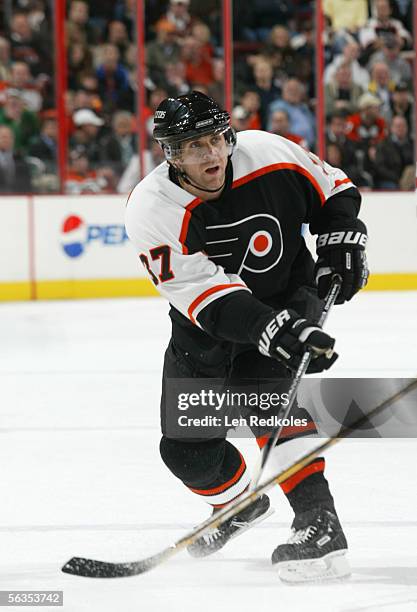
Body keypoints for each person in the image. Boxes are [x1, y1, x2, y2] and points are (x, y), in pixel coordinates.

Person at [125, 92, 368, 582]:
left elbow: (335, 190)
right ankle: (239, 504)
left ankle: (319, 523)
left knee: (271, 405)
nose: (212, 155)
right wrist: (273, 331)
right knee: (185, 453)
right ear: (171, 155)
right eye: (194, 147)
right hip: (206, 332)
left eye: (216, 140)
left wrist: (342, 237)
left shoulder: (270, 152)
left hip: (285, 296)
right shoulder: (152, 207)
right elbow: (206, 297)